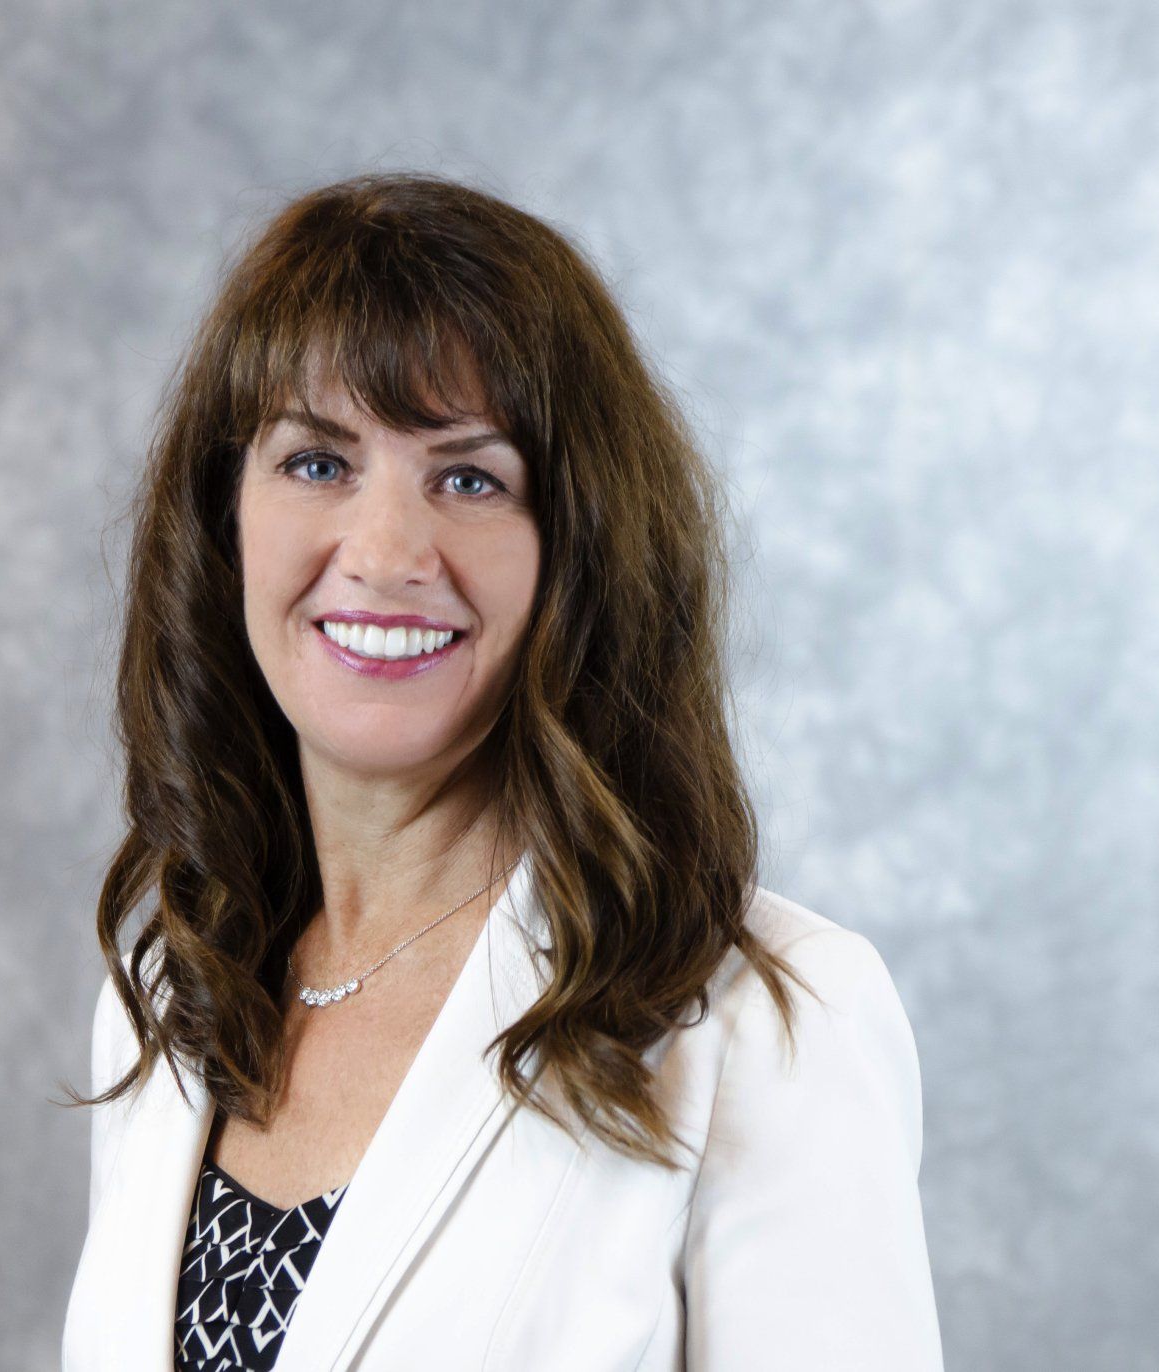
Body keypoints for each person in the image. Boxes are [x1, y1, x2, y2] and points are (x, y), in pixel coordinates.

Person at [58, 171, 944, 1371]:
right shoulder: (173, 989)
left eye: (470, 477)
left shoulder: (764, 1020)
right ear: (224, 520)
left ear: (578, 553)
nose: (381, 554)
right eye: (317, 463)